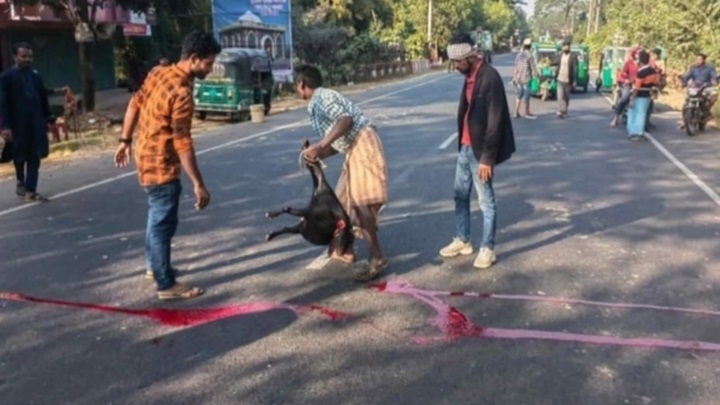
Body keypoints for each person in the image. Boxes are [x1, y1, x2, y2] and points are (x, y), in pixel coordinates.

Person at [114, 30, 221, 301]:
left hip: (144, 157)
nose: (210, 69)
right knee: (163, 223)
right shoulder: (182, 92)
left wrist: (125, 140)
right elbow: (182, 142)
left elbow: (134, 103)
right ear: (194, 59)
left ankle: (154, 267)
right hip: (162, 165)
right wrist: (199, 183)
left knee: (156, 217)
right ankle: (166, 284)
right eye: (208, 63)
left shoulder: (158, 73)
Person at [296, 64, 389, 282]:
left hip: (363, 143)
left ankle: (377, 257)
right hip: (352, 148)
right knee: (341, 202)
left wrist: (320, 144)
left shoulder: (323, 97)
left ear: (301, 84)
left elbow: (346, 120)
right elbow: (337, 143)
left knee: (361, 203)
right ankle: (345, 250)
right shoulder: (317, 103)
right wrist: (315, 153)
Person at [439, 33, 515, 269]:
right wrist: (462, 145)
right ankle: (463, 240)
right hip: (465, 147)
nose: (456, 66)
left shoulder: (489, 77)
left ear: (470, 56)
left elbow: (495, 121)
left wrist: (487, 159)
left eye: (458, 62)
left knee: (486, 201)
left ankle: (487, 248)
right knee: (460, 195)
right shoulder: (469, 75)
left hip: (480, 152)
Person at [0, 42, 56, 202]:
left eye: (30, 56)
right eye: (23, 56)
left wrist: (49, 117)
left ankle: (31, 190)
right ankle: (20, 182)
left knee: (35, 155)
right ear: (15, 57)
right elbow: (3, 103)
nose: (27, 59)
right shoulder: (6, 77)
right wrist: (4, 126)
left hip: (36, 122)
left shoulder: (35, 76)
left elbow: (42, 98)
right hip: (17, 124)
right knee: (19, 155)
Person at [679, 52, 718, 129]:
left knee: (714, 94)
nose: (698, 61)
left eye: (700, 59)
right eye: (697, 59)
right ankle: (685, 121)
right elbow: (687, 76)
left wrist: (714, 81)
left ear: (704, 60)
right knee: (686, 104)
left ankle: (707, 111)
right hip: (695, 87)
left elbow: (714, 76)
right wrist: (683, 82)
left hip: (706, 87)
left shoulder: (710, 68)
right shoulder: (693, 68)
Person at [627, 50, 659, 141]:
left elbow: (637, 87)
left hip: (639, 94)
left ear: (640, 60)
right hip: (647, 95)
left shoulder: (640, 72)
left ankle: (633, 132)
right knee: (642, 114)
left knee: (633, 113)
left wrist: (632, 98)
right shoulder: (653, 71)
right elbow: (656, 82)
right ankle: (640, 133)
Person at [611, 48, 640, 127]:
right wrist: (627, 80)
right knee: (624, 99)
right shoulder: (629, 63)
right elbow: (623, 73)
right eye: (637, 54)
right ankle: (616, 118)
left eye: (639, 54)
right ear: (634, 55)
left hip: (640, 85)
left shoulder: (642, 64)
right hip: (628, 84)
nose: (638, 56)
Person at [512, 38, 539, 119]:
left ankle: (516, 112)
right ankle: (527, 112)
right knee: (527, 95)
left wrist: (514, 77)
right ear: (530, 46)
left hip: (519, 78)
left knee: (519, 95)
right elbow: (533, 67)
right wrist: (537, 75)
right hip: (527, 78)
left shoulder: (519, 55)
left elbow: (516, 67)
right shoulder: (530, 56)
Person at [552, 40, 577, 119]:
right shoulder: (560, 55)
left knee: (566, 97)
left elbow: (575, 69)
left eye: (568, 46)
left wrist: (575, 81)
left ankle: (565, 110)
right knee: (560, 96)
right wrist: (549, 62)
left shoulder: (573, 56)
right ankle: (561, 111)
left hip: (568, 80)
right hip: (560, 78)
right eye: (565, 46)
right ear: (563, 47)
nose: (566, 47)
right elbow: (556, 62)